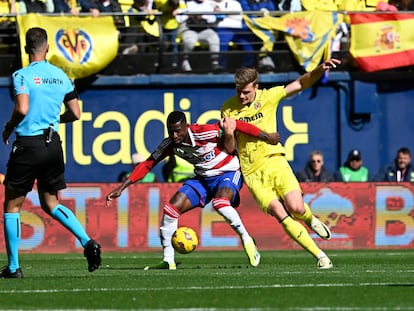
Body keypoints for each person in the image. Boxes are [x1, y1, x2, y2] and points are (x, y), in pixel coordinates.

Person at [106, 110, 279, 269]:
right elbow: (148, 164)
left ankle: (247, 239)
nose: (174, 135)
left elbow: (235, 125)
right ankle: (168, 261)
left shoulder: (204, 132)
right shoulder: (169, 145)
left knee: (220, 203)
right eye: (170, 131)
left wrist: (267, 136)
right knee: (170, 209)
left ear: (186, 127)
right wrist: (122, 187)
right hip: (203, 179)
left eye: (177, 131)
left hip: (227, 172)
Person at [221, 58, 342, 269]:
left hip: (275, 162)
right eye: (238, 91)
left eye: (246, 92)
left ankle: (310, 219)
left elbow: (300, 84)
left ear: (256, 87)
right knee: (280, 213)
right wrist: (229, 134)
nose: (241, 96)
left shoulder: (269, 97)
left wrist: (318, 70)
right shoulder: (228, 109)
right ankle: (320, 256)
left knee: (296, 208)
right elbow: (230, 148)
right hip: (252, 173)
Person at [0, 27, 101, 278]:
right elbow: (76, 114)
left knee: (12, 205)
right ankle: (88, 241)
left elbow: (22, 108)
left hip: (28, 145)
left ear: (26, 49)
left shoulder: (22, 75)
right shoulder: (61, 76)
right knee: (51, 202)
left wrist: (8, 127)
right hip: (53, 144)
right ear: (47, 48)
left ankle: (13, 268)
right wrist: (55, 119)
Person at [176, 0, 223, 73]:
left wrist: (202, 16)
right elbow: (179, 18)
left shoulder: (208, 4)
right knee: (190, 41)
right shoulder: (186, 3)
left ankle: (215, 62)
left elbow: (212, 19)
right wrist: (190, 16)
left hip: (203, 29)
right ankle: (185, 62)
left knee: (214, 38)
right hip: (189, 28)